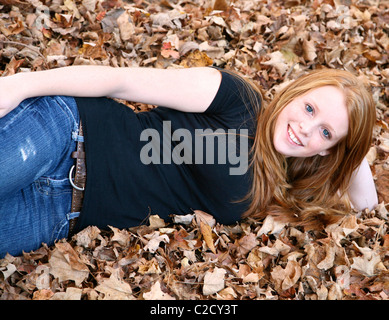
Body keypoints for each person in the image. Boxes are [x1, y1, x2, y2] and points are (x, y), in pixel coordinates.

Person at [0, 65, 378, 258]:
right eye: (309, 108)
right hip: (65, 134)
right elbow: (120, 81)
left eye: (325, 133)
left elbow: (368, 209)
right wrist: (22, 85)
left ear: (331, 151)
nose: (305, 128)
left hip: (58, 214)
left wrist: (351, 139)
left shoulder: (282, 187)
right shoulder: (237, 100)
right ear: (294, 94)